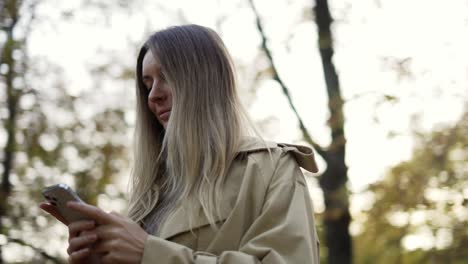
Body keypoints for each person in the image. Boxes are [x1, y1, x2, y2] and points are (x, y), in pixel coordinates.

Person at [40, 24, 320, 264]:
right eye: (147, 84)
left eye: (167, 77)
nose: (153, 96)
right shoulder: (151, 192)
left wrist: (149, 252)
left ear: (206, 81)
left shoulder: (271, 169)